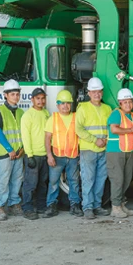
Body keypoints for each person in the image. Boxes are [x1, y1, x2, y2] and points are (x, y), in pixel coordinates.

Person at [75, 76, 112, 219]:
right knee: (88, 179)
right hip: (88, 149)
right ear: (88, 93)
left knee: (101, 179)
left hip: (103, 149)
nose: (97, 94)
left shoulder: (107, 108)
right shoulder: (83, 108)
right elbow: (79, 129)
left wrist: (105, 140)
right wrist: (95, 140)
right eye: (94, 92)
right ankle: (88, 207)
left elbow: (110, 128)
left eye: (99, 91)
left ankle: (97, 205)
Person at [0, 79, 25, 221]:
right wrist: (10, 149)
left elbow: (22, 132)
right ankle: (0, 206)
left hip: (18, 153)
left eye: (17, 94)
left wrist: (22, 149)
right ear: (5, 95)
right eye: (13, 94)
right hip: (5, 153)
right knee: (3, 180)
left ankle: (14, 203)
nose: (15, 97)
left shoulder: (21, 112)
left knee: (17, 179)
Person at [43, 90, 81, 218]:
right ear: (58, 105)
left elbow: (80, 136)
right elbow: (47, 138)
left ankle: (75, 205)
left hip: (73, 156)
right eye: (62, 103)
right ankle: (51, 205)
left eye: (68, 103)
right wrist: (49, 155)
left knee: (74, 182)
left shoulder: (76, 117)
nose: (65, 106)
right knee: (53, 182)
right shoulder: (53, 118)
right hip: (57, 156)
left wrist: (80, 154)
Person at [106, 88, 133, 218]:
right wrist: (131, 130)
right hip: (116, 152)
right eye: (125, 102)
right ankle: (115, 207)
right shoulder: (116, 114)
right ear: (120, 103)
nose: (128, 105)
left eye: (130, 102)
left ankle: (121, 204)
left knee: (126, 179)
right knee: (117, 180)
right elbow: (114, 129)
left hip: (129, 151)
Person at [20, 88, 50, 220]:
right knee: (30, 183)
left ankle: (41, 206)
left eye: (43, 98)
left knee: (43, 183)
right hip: (33, 155)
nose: (41, 101)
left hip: (45, 154)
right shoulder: (28, 115)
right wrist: (29, 155)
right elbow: (25, 136)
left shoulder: (46, 113)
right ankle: (27, 208)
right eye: (38, 98)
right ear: (32, 100)